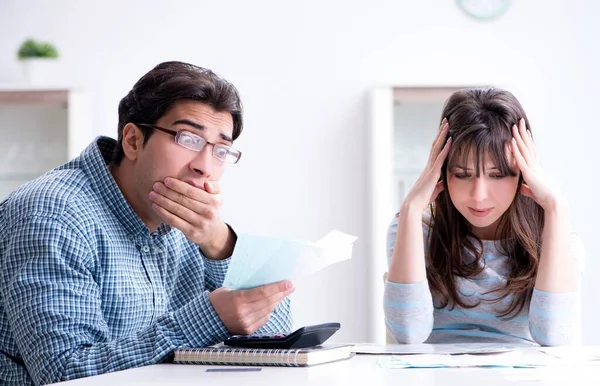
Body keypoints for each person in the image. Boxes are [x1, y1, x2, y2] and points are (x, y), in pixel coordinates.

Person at [0, 61, 294, 385]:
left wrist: (219, 242)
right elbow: (65, 373)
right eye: (188, 139)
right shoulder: (53, 216)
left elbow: (276, 335)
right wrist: (210, 318)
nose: (205, 167)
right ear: (133, 141)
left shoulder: (186, 221)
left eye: (221, 149)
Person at [384, 87, 584, 346]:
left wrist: (556, 207)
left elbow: (553, 336)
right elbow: (408, 334)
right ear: (441, 172)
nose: (478, 196)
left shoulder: (558, 237)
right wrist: (411, 207)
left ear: (523, 173)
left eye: (497, 175)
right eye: (463, 174)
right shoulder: (415, 229)